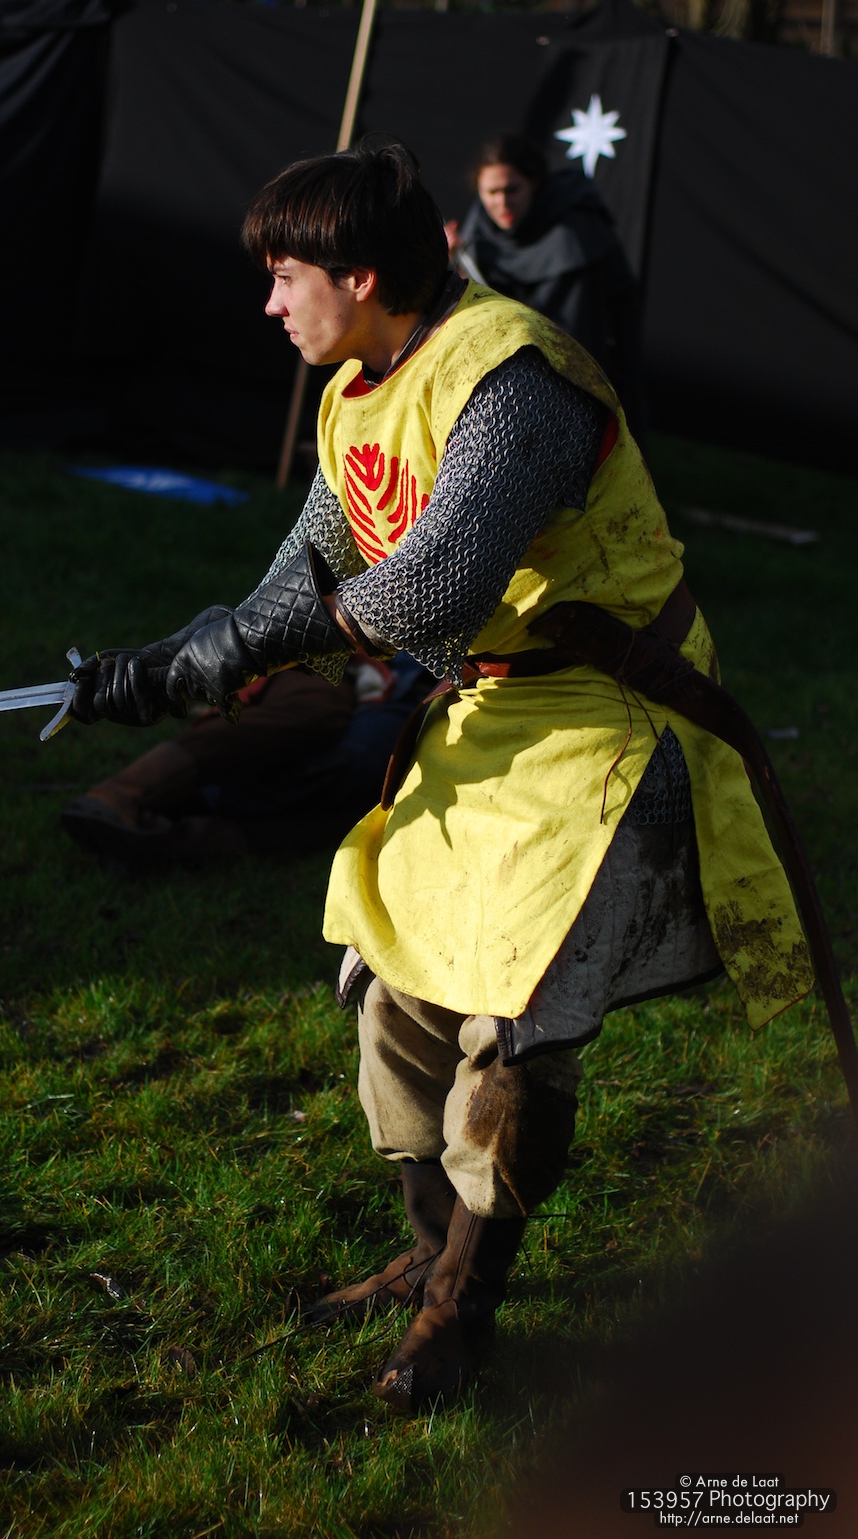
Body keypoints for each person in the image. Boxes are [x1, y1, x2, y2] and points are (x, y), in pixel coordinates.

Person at [69, 140, 812, 1414]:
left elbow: (425, 591)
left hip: (602, 720)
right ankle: (427, 1252)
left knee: (513, 1037)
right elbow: (311, 573)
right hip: (486, 711)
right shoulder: (357, 385)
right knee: (397, 993)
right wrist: (177, 662)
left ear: (359, 277)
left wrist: (237, 649)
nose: (269, 304)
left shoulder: (513, 376)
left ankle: (461, 1310)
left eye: (286, 277)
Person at [61, 654, 431, 868]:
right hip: (337, 661)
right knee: (311, 712)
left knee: (366, 801)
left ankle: (165, 840)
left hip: (414, 705)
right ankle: (120, 795)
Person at [446, 132, 645, 436]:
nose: (502, 202)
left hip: (574, 389)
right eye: (491, 192)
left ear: (534, 183)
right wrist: (452, 266)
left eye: (512, 189)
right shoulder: (478, 231)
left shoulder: (574, 236)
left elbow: (569, 338)